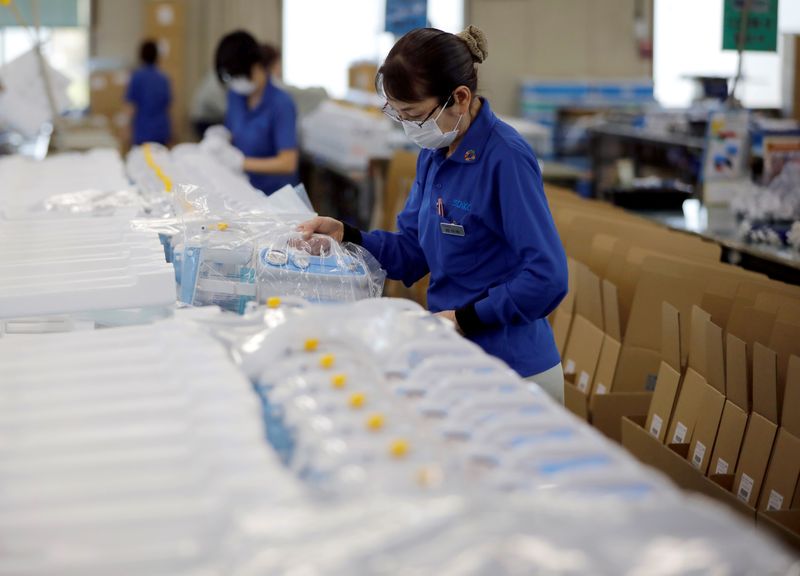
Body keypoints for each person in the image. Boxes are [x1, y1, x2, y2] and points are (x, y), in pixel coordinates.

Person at [298, 26, 568, 401]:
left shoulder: (505, 158)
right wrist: (348, 236)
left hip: (514, 373)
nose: (410, 127)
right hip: (457, 358)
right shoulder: (435, 153)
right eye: (400, 115)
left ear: (459, 98)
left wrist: (464, 318)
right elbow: (412, 253)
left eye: (416, 115)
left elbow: (547, 277)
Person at [212, 30, 298, 195]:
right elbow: (233, 131)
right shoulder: (235, 96)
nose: (238, 82)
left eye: (241, 75)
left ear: (257, 65)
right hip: (245, 188)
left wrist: (242, 163)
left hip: (276, 196)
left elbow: (288, 163)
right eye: (233, 77)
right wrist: (220, 137)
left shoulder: (281, 103)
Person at [125, 40, 171, 146]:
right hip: (161, 131)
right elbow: (168, 107)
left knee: (143, 161)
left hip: (142, 132)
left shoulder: (137, 77)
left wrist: (126, 129)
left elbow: (130, 107)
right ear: (157, 56)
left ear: (141, 56)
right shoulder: (163, 78)